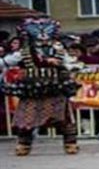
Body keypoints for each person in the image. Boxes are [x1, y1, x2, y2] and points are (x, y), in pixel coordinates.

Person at [0, 18, 80, 156]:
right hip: (32, 90)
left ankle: (70, 143)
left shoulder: (59, 51)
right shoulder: (24, 52)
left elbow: (72, 64)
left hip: (55, 88)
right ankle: (23, 145)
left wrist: (69, 66)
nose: (43, 38)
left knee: (64, 118)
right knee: (27, 119)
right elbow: (5, 62)